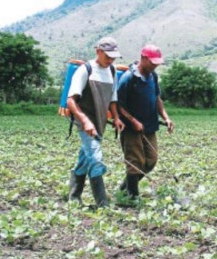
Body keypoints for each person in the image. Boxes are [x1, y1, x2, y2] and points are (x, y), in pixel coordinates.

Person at [66, 36, 125, 208]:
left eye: (113, 57)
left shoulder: (112, 71)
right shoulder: (86, 70)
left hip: (99, 121)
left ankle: (74, 196)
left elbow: (113, 99)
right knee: (96, 158)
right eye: (108, 56)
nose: (111, 60)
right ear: (98, 51)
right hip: (84, 121)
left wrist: (116, 117)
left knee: (85, 158)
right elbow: (71, 100)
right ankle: (102, 204)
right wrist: (85, 121)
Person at [117, 44, 174, 200]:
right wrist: (133, 120)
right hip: (131, 128)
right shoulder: (128, 78)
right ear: (143, 58)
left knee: (151, 161)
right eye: (153, 62)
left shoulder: (153, 77)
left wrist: (166, 117)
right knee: (135, 162)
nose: (155, 65)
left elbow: (157, 99)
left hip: (150, 125)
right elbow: (118, 105)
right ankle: (132, 198)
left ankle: (123, 188)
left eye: (157, 63)